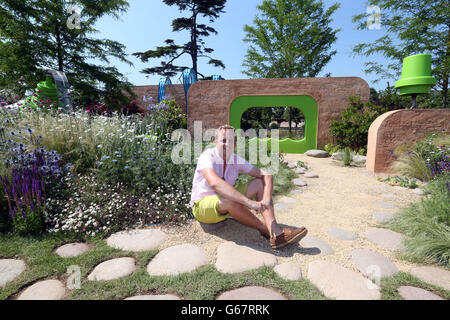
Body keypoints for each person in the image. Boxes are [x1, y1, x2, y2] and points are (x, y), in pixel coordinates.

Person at [189, 124, 308, 249]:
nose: (226, 144)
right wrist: (249, 203)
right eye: (223, 140)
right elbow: (215, 182)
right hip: (202, 206)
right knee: (230, 198)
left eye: (230, 141)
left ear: (234, 145)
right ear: (215, 142)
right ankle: (265, 230)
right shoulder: (207, 156)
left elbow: (266, 174)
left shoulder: (234, 159)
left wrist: (266, 198)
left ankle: (276, 233)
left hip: (223, 203)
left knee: (259, 183)